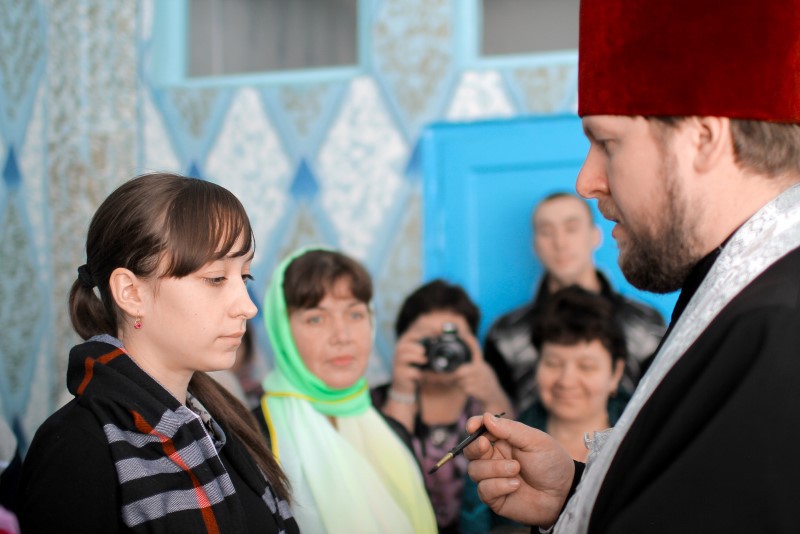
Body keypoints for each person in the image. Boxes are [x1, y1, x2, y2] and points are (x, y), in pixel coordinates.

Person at [464, 1, 800, 532]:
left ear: (703, 139)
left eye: (607, 143)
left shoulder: (778, 326)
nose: (586, 181)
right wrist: (573, 493)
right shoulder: (740, 289)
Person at [17, 173, 298, 533]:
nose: (247, 307)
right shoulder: (78, 447)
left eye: (244, 277)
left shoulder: (217, 420)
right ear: (131, 293)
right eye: (215, 278)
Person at [254, 247, 437, 533]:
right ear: (283, 331)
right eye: (316, 318)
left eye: (355, 314)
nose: (342, 336)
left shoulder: (394, 433)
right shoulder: (252, 440)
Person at [463, 286, 629, 532]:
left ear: (615, 373)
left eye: (586, 366)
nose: (567, 380)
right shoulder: (497, 449)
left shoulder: (641, 440)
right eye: (553, 363)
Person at [483, 192, 665, 413]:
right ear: (535, 244)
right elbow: (495, 415)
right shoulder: (506, 334)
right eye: (546, 232)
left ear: (595, 236)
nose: (560, 242)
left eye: (571, 228)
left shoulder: (645, 324)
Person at [371, 279, 512, 533]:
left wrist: (492, 393)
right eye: (428, 340)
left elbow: (512, 457)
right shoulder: (374, 404)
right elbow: (383, 477)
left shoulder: (486, 400)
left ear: (472, 344)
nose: (442, 349)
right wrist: (401, 391)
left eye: (451, 338)